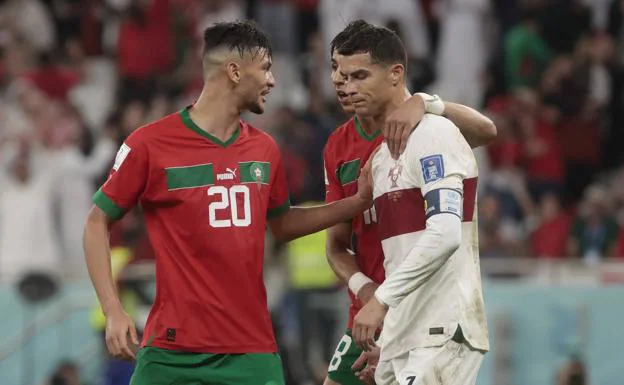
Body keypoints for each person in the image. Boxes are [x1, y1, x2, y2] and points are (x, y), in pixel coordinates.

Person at [83, 21, 376, 385]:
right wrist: (112, 309)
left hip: (251, 352)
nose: (272, 81)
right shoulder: (149, 145)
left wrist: (357, 202)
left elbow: (282, 224)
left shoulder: (265, 149)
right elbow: (97, 222)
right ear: (235, 71)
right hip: (171, 353)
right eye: (266, 68)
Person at [323, 20, 496, 385]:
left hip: (430, 318)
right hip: (383, 316)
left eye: (357, 75)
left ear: (395, 74)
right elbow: (336, 246)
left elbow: (486, 132)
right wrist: (371, 296)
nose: (342, 83)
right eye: (337, 71)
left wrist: (426, 102)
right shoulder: (354, 152)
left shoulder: (432, 132)